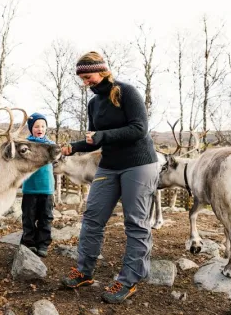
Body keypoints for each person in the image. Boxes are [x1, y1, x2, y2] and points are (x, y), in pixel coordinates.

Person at [61, 51, 159, 304]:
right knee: (93, 217)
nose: (85, 82)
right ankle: (84, 271)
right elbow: (96, 139)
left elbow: (139, 129)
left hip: (138, 164)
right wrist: (74, 146)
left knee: (135, 222)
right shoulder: (94, 103)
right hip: (109, 165)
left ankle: (129, 280)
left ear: (102, 71)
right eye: (81, 78)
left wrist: (102, 137)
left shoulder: (127, 92)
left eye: (88, 76)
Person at [20, 112, 55, 258]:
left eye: (43, 126)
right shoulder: (25, 145)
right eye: (36, 126)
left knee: (45, 217)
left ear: (46, 128)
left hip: (47, 188)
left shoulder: (51, 145)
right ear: (31, 128)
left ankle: (43, 244)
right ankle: (29, 242)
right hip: (30, 188)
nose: (40, 129)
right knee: (29, 217)